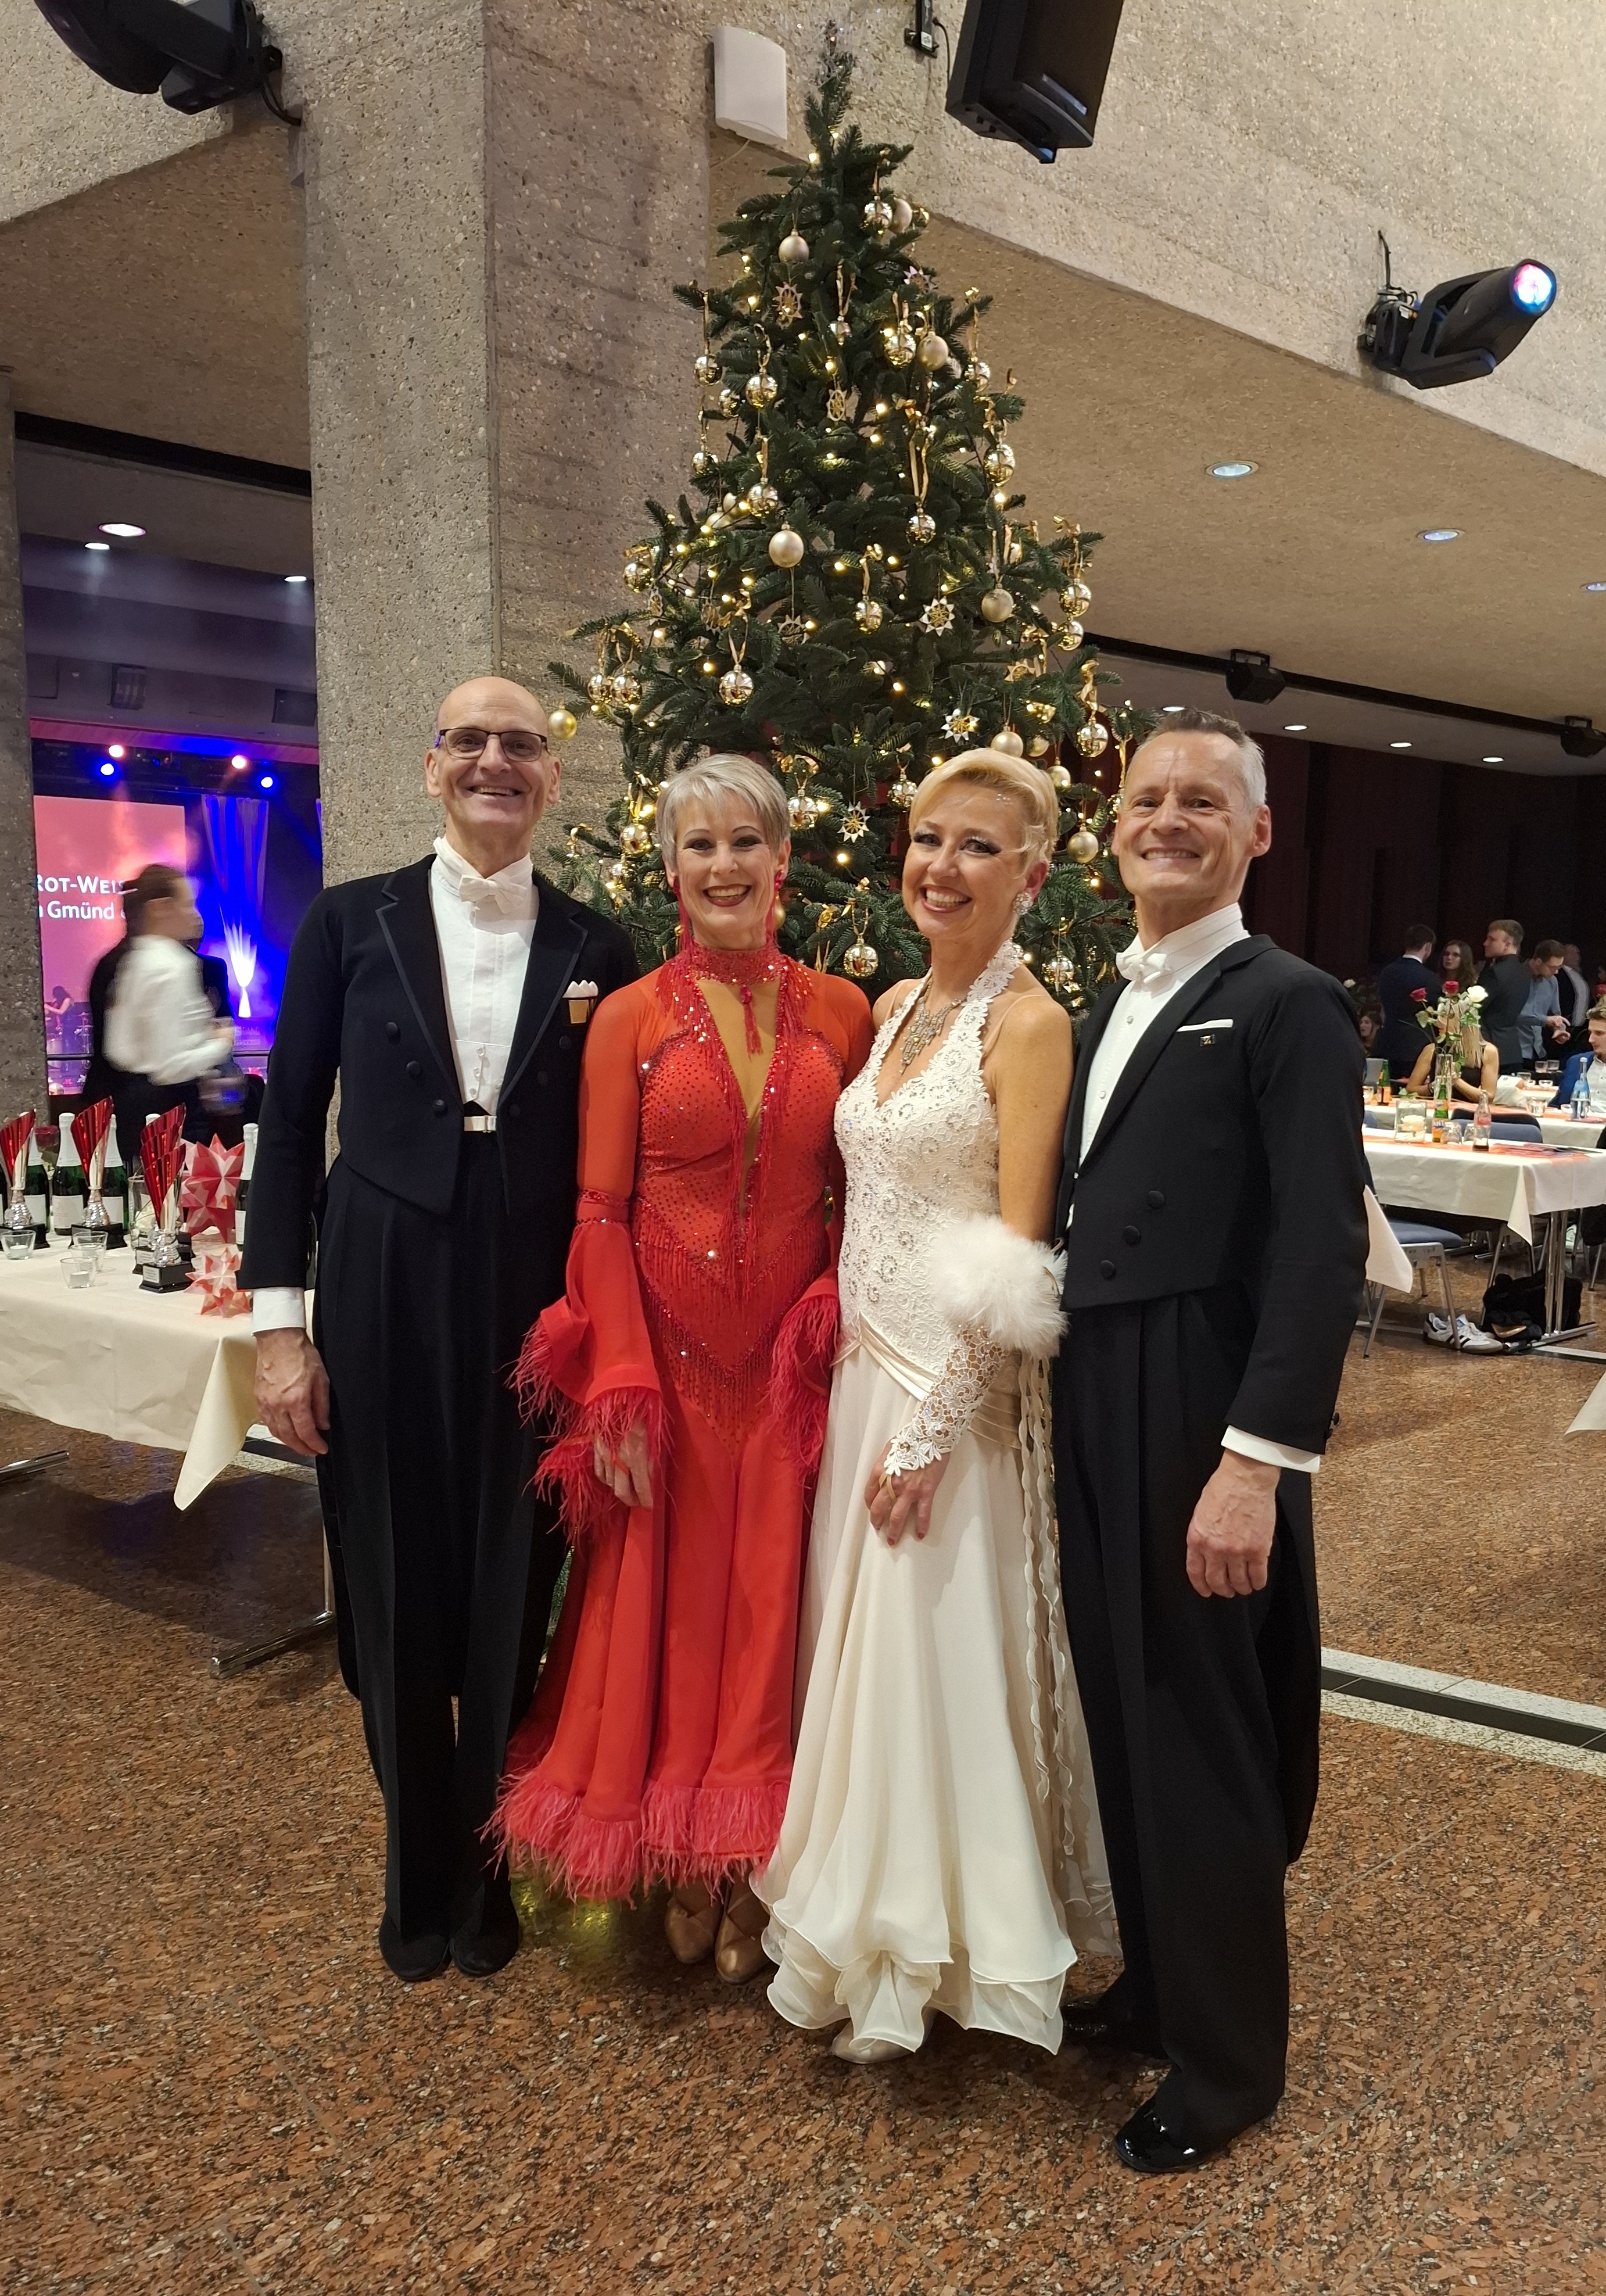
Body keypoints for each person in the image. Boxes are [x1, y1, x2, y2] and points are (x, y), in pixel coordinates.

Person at [239, 677, 637, 1984]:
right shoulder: (347, 922)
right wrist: (279, 1333)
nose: (493, 760)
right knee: (392, 1575)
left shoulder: (599, 944)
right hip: (379, 1265)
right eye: (468, 740)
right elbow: (290, 1127)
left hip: (530, 1283)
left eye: (520, 744)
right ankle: (414, 1873)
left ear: (550, 779)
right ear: (430, 768)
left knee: (510, 1574)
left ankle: (483, 1871)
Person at [759, 751, 1113, 2066]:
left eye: (977, 847)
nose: (939, 867)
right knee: (864, 1653)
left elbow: (1017, 1249)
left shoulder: (1027, 1025)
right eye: (925, 838)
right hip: (865, 1371)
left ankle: (949, 1943)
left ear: (1030, 873)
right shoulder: (897, 999)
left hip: (944, 1400)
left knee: (935, 1657)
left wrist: (929, 1427)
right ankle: (863, 1907)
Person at [1051, 708, 1368, 2173]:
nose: (1163, 819)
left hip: (1199, 1395)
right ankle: (1164, 1986)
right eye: (1142, 798)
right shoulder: (1102, 994)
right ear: (1112, 826)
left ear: (1252, 834)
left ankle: (1229, 2063)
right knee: (1124, 1702)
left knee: (1201, 1730)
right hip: (1094, 1379)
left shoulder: (1286, 998)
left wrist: (1253, 1460)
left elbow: (1314, 1247)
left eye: (1200, 801)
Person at [494, 755, 872, 1981]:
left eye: (743, 843)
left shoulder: (845, 1012)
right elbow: (597, 1210)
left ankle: (749, 1860)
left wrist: (831, 1300)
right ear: (668, 868)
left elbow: (858, 1192)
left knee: (773, 1607)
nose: (722, 866)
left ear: (780, 861)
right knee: (657, 1603)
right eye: (698, 845)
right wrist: (617, 1372)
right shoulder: (631, 1016)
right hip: (662, 1354)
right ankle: (674, 1849)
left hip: (788, 1364)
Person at [102, 865, 236, 1163]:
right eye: (187, 905)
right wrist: (222, 1041)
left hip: (132, 1107)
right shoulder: (175, 965)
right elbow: (171, 1067)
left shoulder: (133, 960)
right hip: (174, 1112)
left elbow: (117, 1049)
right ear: (162, 909)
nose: (194, 914)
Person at [1373, 924, 1438, 1077]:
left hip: (1387, 1043)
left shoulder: (1386, 972)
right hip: (1416, 1048)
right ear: (1428, 947)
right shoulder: (1430, 978)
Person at [1476, 919, 1531, 1070]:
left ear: (1507, 944)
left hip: (1489, 1048)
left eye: (1492, 939)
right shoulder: (1525, 972)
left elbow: (1475, 1008)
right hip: (1512, 1049)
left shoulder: (1494, 972)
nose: (1485, 943)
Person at [1515, 939, 1571, 1067]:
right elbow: (1514, 1014)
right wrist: (1546, 1020)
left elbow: (1556, 1014)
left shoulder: (1552, 982)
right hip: (1516, 1049)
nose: (1556, 972)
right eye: (1553, 967)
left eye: (1559, 967)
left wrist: (1559, 1029)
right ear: (1538, 961)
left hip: (1539, 1050)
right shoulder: (1516, 977)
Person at [1553, 1004, 1606, 1116]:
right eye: (1590, 1033)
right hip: (1573, 1128)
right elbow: (1557, 1105)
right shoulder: (1576, 1062)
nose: (1591, 1040)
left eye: (1599, 1033)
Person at [1558, 944, 1591, 1041]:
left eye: (1578, 954)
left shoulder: (1580, 974)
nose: (1577, 957)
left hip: (1580, 1027)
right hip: (1565, 1025)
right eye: (1573, 954)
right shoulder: (1559, 975)